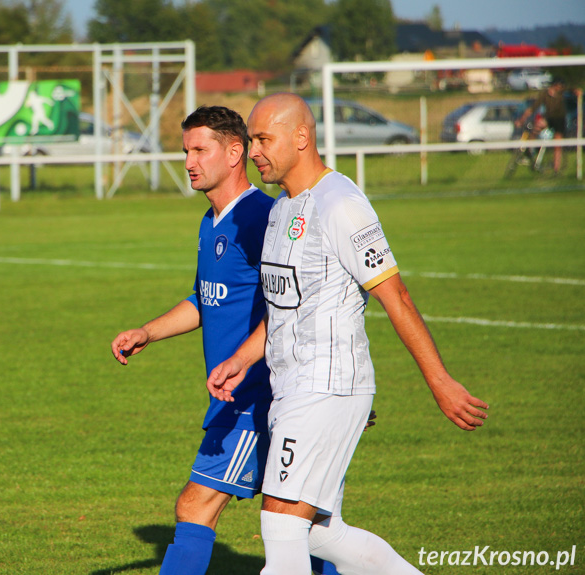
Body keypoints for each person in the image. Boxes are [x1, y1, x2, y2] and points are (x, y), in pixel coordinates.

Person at [207, 93, 489, 575]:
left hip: (324, 389)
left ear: (301, 138)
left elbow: (394, 296)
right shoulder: (280, 210)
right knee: (320, 530)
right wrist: (244, 358)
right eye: (252, 139)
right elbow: (284, 307)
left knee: (281, 527)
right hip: (294, 390)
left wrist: (439, 381)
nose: (254, 151)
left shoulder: (341, 203)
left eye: (263, 139)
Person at [111, 105, 278, 575]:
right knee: (307, 524)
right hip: (234, 395)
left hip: (255, 396)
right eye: (185, 150)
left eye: (200, 150)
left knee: (195, 506)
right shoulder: (212, 220)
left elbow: (290, 308)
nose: (188, 161)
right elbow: (206, 299)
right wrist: (149, 331)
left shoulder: (261, 219)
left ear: (234, 152)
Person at [515, 78, 567, 174]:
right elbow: (534, 107)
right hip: (549, 118)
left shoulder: (561, 94)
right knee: (536, 126)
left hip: (559, 120)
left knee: (557, 144)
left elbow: (571, 90)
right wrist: (522, 120)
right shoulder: (545, 94)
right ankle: (529, 150)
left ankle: (556, 169)